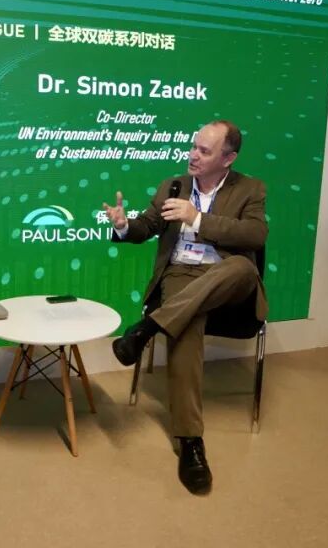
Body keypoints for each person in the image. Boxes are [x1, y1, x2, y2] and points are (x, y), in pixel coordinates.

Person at [102, 119, 267, 495]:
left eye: (204, 151)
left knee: (244, 267)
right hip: (181, 275)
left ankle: (146, 329)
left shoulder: (251, 189)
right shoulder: (173, 185)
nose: (193, 155)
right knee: (186, 321)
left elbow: (255, 235)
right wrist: (124, 226)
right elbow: (147, 227)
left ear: (228, 158)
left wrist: (198, 219)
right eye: (194, 147)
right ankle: (191, 442)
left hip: (228, 277)